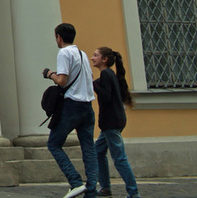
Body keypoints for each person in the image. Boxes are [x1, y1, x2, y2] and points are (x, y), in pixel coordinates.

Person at [42, 22, 99, 198]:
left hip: (71, 106)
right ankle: (91, 191)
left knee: (54, 144)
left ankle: (75, 182)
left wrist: (50, 74)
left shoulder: (64, 53)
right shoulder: (82, 54)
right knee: (89, 149)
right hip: (87, 106)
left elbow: (62, 81)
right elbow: (89, 77)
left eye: (55, 36)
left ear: (59, 36)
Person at [91, 47, 139, 198]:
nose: (93, 58)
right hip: (111, 123)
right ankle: (105, 188)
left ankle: (133, 193)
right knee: (98, 152)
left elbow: (105, 96)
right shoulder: (109, 74)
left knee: (119, 158)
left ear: (104, 60)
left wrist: (94, 85)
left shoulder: (106, 74)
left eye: (95, 55)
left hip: (111, 123)